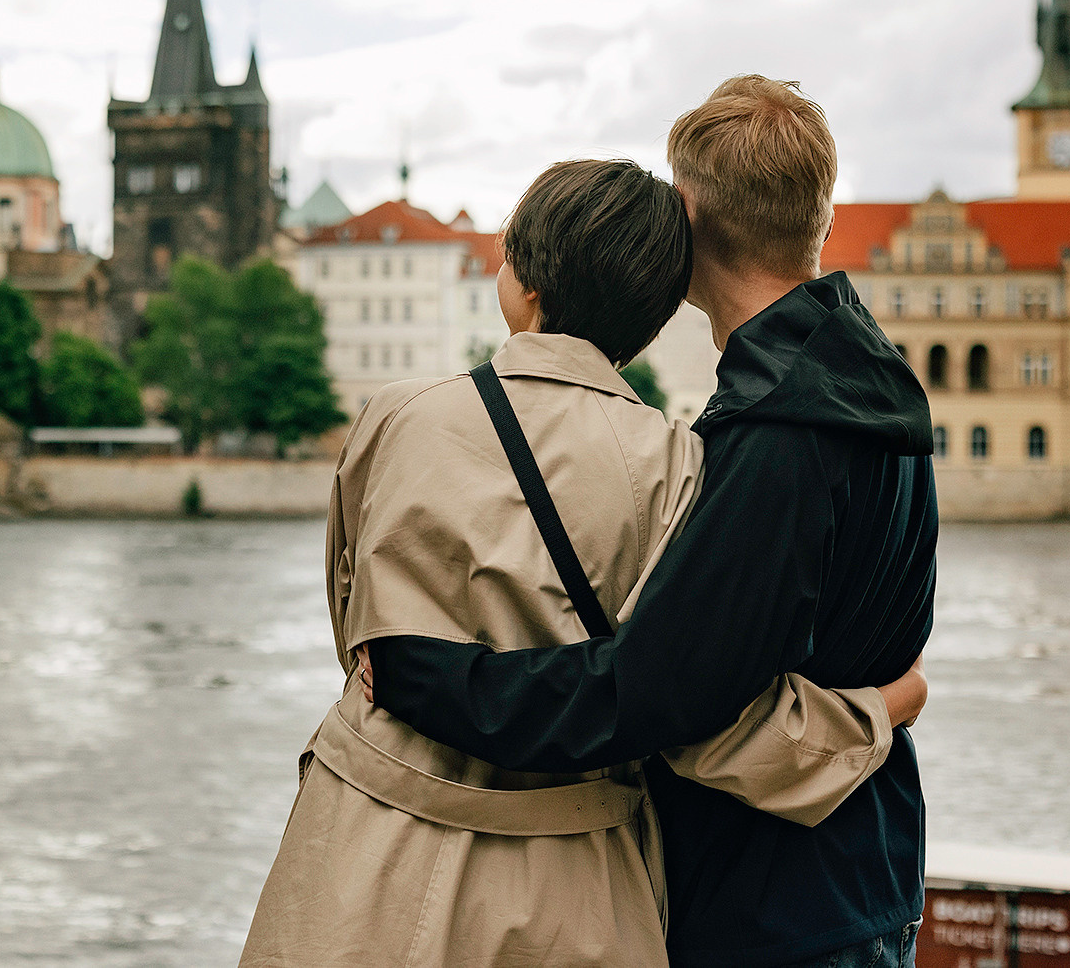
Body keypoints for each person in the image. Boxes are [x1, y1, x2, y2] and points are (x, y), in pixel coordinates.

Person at [240, 158, 925, 968]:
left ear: (521, 281)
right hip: (569, 882)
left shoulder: (398, 417)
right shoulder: (680, 465)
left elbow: (355, 624)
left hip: (365, 844)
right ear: (650, 318)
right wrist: (875, 712)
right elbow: (696, 720)